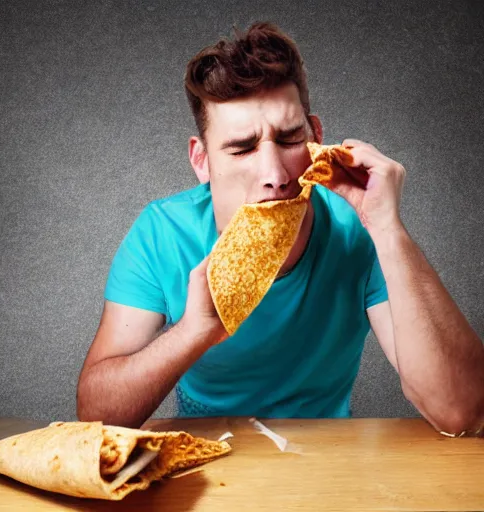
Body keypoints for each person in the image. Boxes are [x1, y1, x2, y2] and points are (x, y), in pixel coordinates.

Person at [76, 22, 484, 435]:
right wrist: (195, 331)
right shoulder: (163, 233)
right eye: (242, 148)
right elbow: (95, 417)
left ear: (316, 138)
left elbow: (461, 412)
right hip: (205, 460)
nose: (274, 174)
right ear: (202, 161)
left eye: (289, 140)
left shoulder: (358, 230)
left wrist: (387, 227)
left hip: (327, 458)